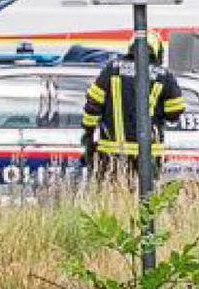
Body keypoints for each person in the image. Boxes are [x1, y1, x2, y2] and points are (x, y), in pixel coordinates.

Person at [78, 42, 191, 188]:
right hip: (148, 154)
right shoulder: (163, 75)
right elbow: (176, 110)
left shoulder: (112, 69)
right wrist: (159, 114)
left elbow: (93, 104)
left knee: (112, 198)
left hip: (111, 151)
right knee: (145, 197)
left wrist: (88, 131)